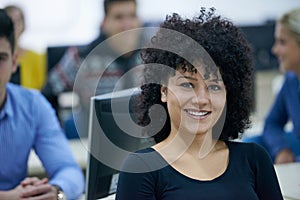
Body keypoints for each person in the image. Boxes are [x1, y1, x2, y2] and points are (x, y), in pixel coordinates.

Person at [116, 8, 283, 199]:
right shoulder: (141, 169)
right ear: (163, 90)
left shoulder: (254, 159)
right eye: (188, 84)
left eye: (214, 87)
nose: (202, 99)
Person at [0, 9, 84, 200]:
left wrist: (55, 191)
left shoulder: (32, 105)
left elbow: (69, 170)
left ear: (14, 62)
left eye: (0, 59)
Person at [42, 0, 143, 138]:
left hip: (148, 145)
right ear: (104, 22)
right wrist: (54, 135)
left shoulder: (154, 55)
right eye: (118, 17)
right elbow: (47, 94)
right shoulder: (81, 58)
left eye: (132, 16)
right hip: (97, 145)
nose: (127, 25)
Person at [243, 8, 300, 164]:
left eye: (282, 42)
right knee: (249, 144)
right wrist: (281, 149)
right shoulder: (291, 80)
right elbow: (272, 123)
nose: (274, 50)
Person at [4, 5, 47, 90]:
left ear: (23, 25)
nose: (14, 25)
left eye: (18, 21)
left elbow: (42, 90)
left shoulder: (36, 57)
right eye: (10, 21)